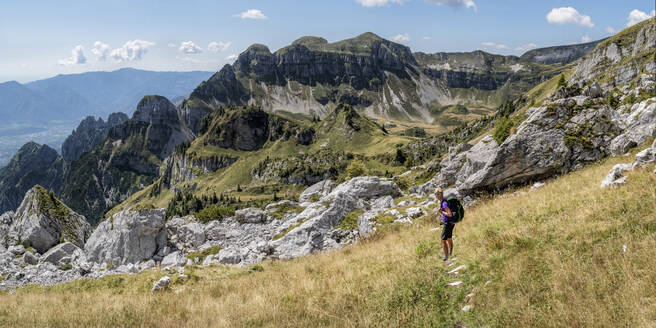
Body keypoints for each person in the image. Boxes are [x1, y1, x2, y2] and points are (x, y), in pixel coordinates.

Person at [435, 188, 454, 261]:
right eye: (435, 194)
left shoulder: (444, 203)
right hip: (450, 222)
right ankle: (450, 253)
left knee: (443, 240)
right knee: (449, 238)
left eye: (438, 194)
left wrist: (441, 212)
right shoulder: (443, 201)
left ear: (441, 194)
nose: (436, 196)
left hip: (448, 223)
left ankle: (446, 257)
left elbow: (449, 214)